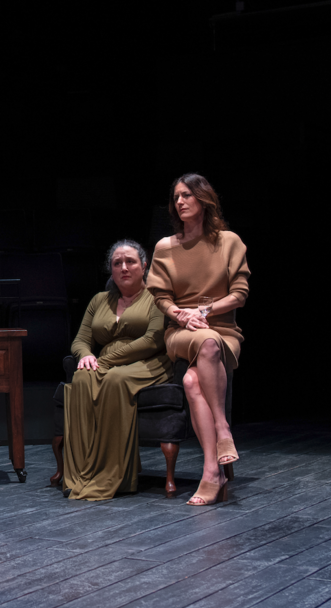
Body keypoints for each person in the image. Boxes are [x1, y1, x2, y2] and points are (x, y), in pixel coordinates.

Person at [147, 173, 250, 506]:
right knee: (204, 343)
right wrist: (181, 314)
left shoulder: (229, 241)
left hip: (223, 330)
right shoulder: (166, 246)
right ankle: (223, 431)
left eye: (187, 195)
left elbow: (239, 294)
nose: (179, 202)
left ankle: (212, 472)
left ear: (204, 200)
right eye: (176, 196)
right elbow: (160, 296)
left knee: (193, 382)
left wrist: (204, 311)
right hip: (181, 331)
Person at [59, 240, 173, 500]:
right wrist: (87, 355)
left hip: (147, 362)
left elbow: (154, 339)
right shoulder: (100, 300)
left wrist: (107, 360)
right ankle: (79, 473)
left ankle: (114, 474)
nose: (124, 267)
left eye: (130, 262)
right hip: (106, 364)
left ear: (144, 266)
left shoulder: (157, 297)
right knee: (81, 377)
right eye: (117, 263)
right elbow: (80, 339)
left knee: (114, 379)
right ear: (110, 270)